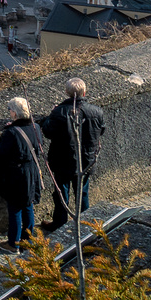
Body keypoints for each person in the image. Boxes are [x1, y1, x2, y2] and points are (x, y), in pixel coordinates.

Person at [41, 77, 105, 231]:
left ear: (66, 93)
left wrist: (51, 115)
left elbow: (48, 131)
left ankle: (60, 224)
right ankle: (85, 224)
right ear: (84, 92)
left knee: (61, 194)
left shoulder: (59, 112)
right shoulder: (96, 111)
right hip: (87, 160)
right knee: (82, 193)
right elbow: (101, 130)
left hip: (62, 160)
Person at [0, 96, 50, 251]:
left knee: (15, 208)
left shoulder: (12, 133)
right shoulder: (35, 126)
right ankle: (28, 240)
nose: (8, 112)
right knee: (28, 205)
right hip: (32, 171)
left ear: (14, 113)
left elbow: (0, 152)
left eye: (9, 110)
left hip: (17, 174)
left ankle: (13, 243)